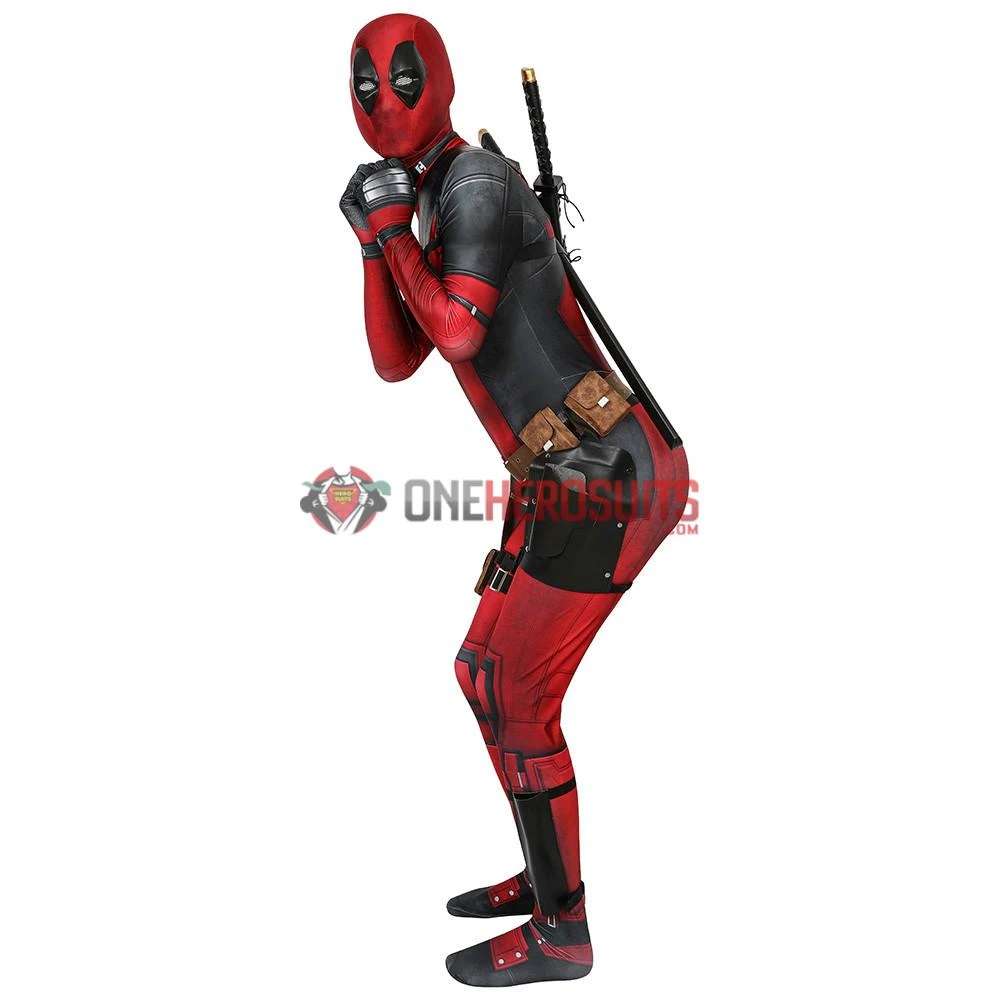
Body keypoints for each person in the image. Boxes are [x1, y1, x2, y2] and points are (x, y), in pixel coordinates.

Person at [339, 13, 689, 987]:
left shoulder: (478, 185)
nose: (383, 103)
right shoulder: (431, 195)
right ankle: (547, 875)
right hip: (558, 472)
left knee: (518, 693)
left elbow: (456, 332)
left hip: (603, 472)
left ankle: (562, 930)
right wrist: (377, 245)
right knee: (480, 672)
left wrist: (387, 230)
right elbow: (396, 360)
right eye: (364, 87)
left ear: (443, 81)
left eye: (403, 79)